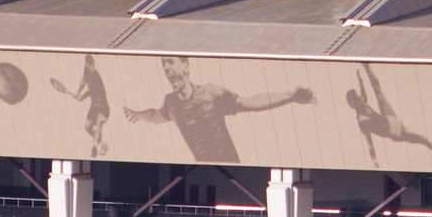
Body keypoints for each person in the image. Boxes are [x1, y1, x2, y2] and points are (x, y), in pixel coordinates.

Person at [123, 56, 312, 164]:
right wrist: (136, 115)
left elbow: (250, 103)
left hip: (231, 163)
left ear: (186, 67)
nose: (166, 68)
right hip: (204, 166)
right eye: (163, 65)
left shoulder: (210, 92)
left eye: (170, 62)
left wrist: (290, 95)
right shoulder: (171, 102)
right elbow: (155, 116)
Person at [345, 64, 432, 164]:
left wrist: (360, 77)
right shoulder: (362, 120)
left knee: (377, 89)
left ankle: (366, 65)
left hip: (388, 117)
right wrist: (374, 160)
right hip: (393, 130)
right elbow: (369, 142)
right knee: (423, 140)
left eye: (359, 97)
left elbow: (363, 89)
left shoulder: (362, 103)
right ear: (353, 106)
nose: (361, 98)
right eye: (358, 99)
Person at [48, 55, 113, 156]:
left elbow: (91, 91)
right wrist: (77, 92)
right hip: (94, 106)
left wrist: (81, 96)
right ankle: (103, 143)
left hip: (103, 106)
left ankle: (95, 147)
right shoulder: (87, 70)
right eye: (89, 65)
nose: (91, 67)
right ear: (87, 65)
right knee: (87, 127)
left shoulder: (96, 76)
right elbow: (83, 81)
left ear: (93, 65)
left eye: (92, 65)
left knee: (99, 122)